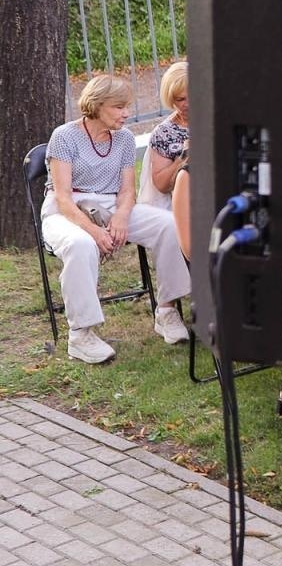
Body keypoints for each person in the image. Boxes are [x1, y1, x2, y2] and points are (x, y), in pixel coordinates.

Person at [40, 75, 192, 364]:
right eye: (119, 107)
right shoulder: (65, 136)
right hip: (66, 210)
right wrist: (95, 233)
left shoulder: (123, 138)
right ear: (96, 106)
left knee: (170, 225)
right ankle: (81, 335)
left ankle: (166, 310)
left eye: (127, 107)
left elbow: (126, 191)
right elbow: (63, 198)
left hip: (111, 203)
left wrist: (122, 217)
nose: (126, 113)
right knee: (81, 244)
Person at [138, 62, 189, 210]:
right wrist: (184, 157)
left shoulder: (216, 118)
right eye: (181, 99)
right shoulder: (164, 134)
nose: (188, 104)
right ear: (171, 99)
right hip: (182, 207)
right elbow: (162, 185)